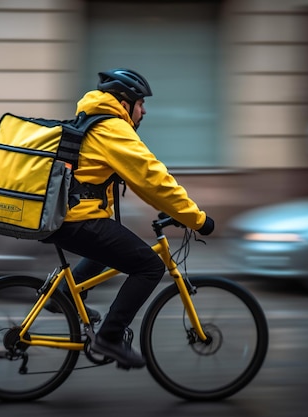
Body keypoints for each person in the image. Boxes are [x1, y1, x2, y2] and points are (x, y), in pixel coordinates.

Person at [43, 68, 214, 369]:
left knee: (108, 249)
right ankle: (109, 337)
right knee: (149, 266)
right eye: (141, 103)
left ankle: (66, 297)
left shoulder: (94, 121)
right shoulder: (112, 128)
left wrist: (169, 209)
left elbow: (122, 180)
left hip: (71, 217)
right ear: (124, 103)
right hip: (77, 219)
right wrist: (197, 219)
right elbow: (151, 179)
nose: (144, 110)